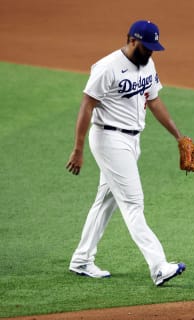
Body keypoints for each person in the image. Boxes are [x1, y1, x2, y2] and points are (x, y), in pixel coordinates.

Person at [65, 20, 186, 286]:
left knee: (106, 200)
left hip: (132, 141)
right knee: (133, 204)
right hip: (109, 139)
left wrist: (178, 136)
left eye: (154, 47)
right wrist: (78, 149)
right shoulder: (107, 67)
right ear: (132, 40)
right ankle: (158, 266)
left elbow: (153, 100)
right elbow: (87, 105)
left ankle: (82, 259)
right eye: (147, 46)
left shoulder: (147, 64)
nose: (151, 52)